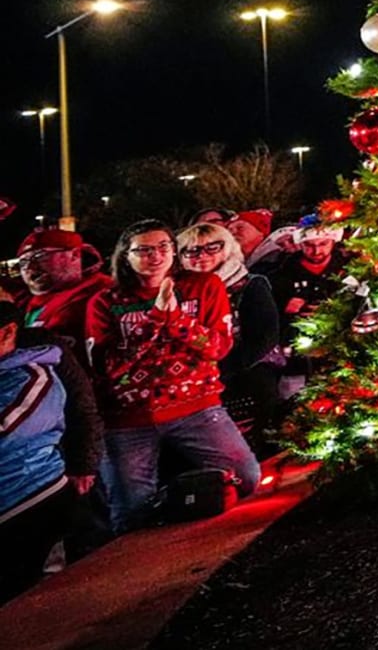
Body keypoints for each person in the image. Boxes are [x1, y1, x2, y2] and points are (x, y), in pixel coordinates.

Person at [85, 220, 260, 531]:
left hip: (197, 408)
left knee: (246, 476)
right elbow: (107, 365)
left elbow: (217, 346)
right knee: (129, 512)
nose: (156, 256)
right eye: (145, 250)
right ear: (126, 256)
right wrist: (157, 318)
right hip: (127, 420)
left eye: (164, 247)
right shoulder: (105, 302)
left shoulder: (203, 286)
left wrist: (177, 318)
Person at [1, 299, 103, 601]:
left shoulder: (33, 376)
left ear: (8, 332)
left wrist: (85, 460)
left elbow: (8, 429)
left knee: (36, 598)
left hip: (30, 499)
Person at [177, 222, 282, 448]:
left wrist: (223, 370)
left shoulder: (250, 285)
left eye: (212, 247)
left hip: (244, 377)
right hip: (192, 386)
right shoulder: (176, 292)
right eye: (192, 250)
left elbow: (263, 337)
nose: (202, 256)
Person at [16, 227, 113, 349]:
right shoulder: (33, 300)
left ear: (74, 255)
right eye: (23, 262)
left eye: (40, 256)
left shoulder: (104, 293)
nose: (29, 267)